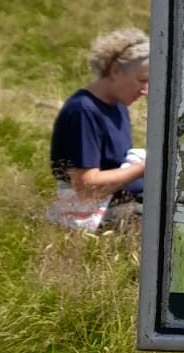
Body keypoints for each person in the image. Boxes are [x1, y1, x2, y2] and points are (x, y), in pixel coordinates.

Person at [47, 28, 150, 231]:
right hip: (99, 215)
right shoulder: (83, 111)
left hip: (124, 203)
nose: (145, 90)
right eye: (141, 80)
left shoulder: (118, 105)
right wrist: (146, 168)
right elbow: (87, 188)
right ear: (114, 71)